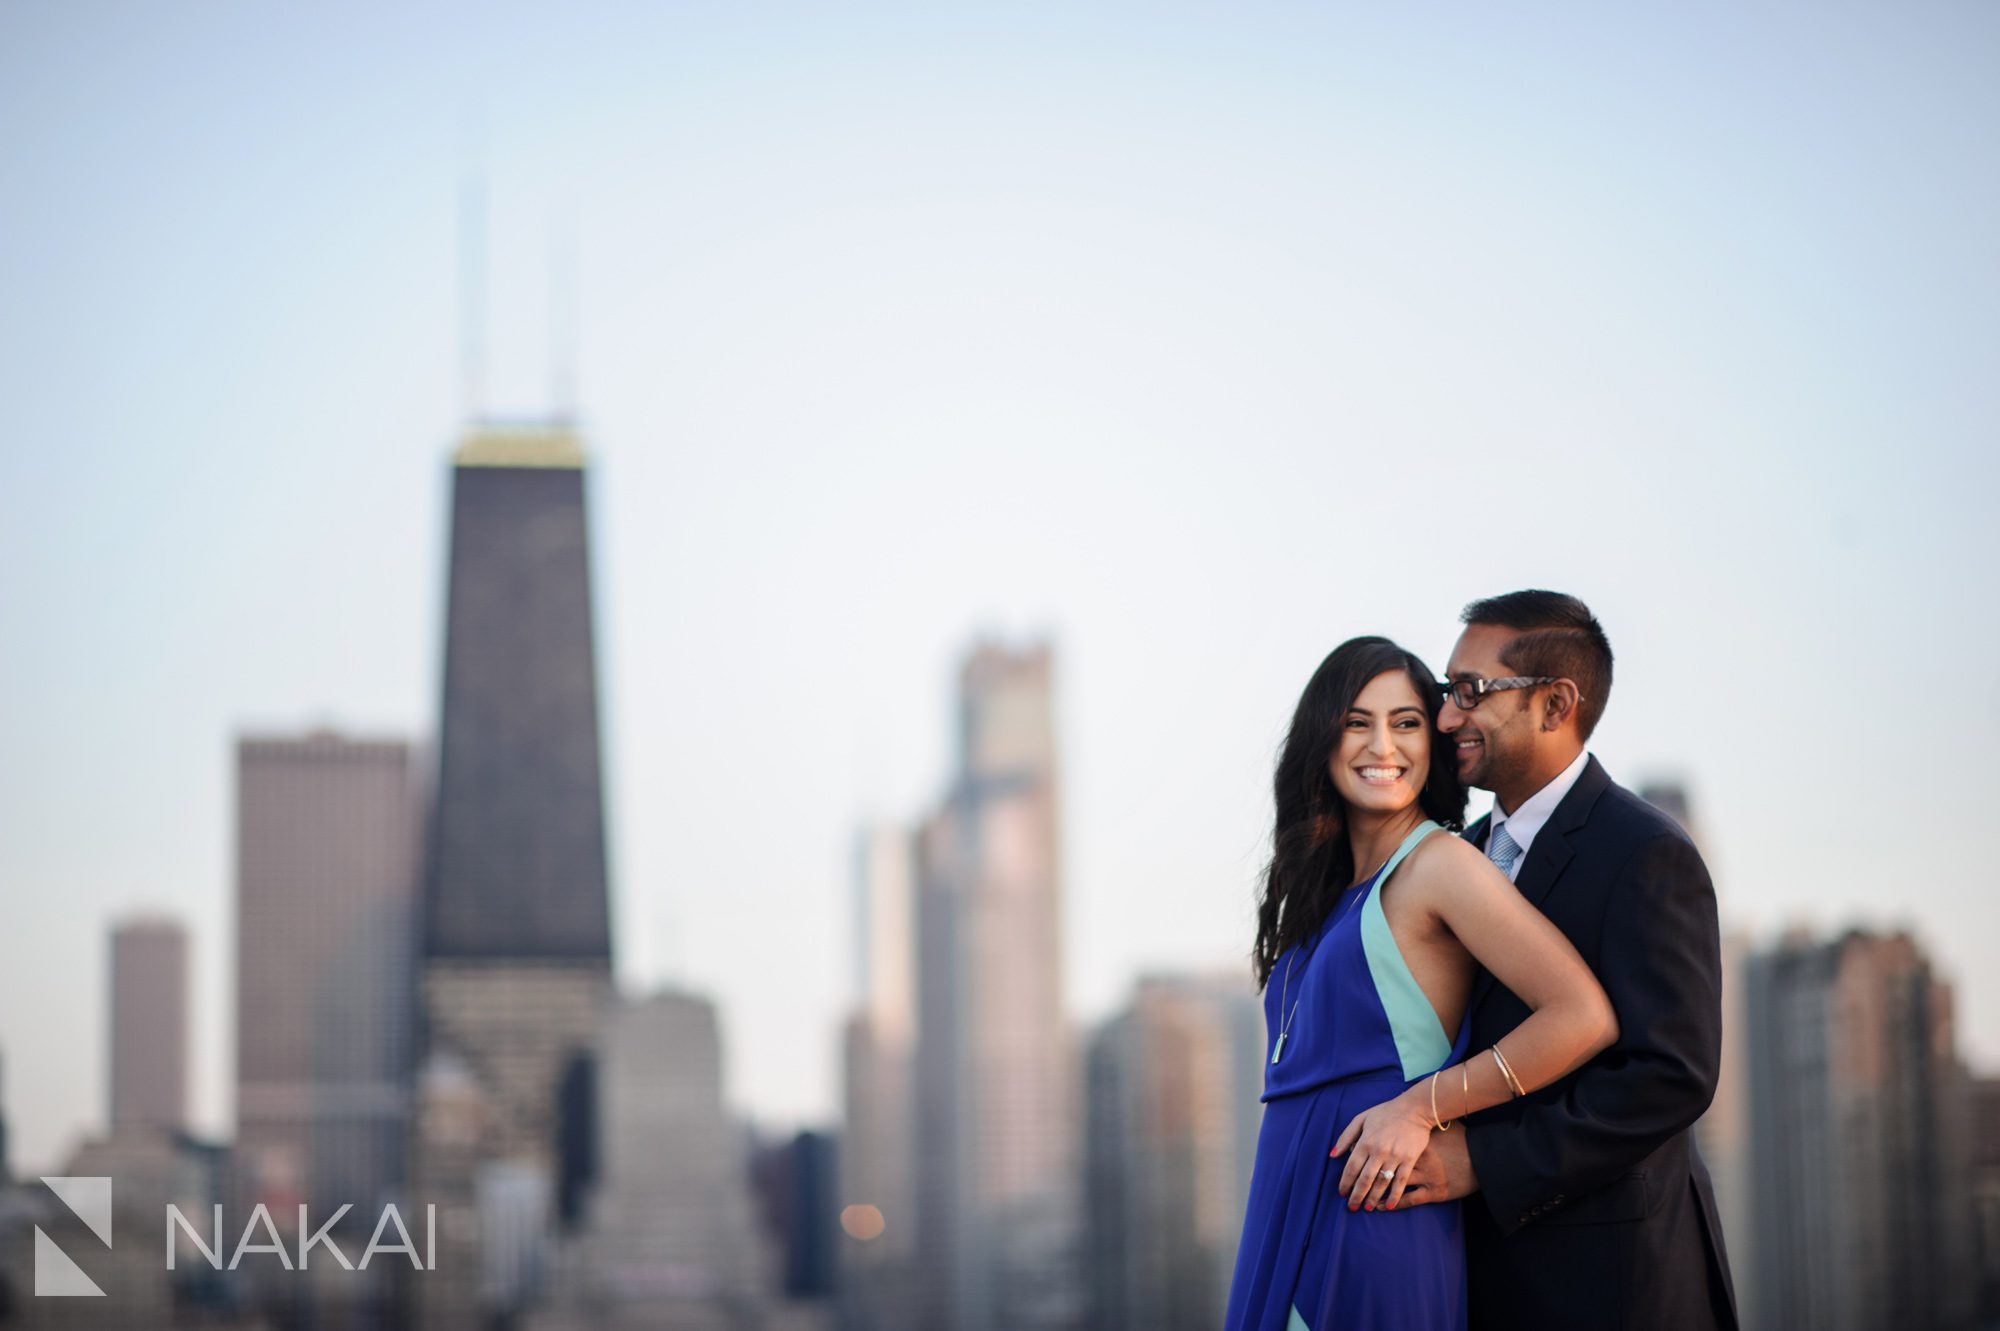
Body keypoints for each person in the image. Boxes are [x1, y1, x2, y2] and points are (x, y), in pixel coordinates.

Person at [1224, 636, 1619, 1331]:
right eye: (1357, 721)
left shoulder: (1439, 865)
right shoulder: (1324, 892)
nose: (1384, 744)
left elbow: (1581, 1013)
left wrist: (1420, 1107)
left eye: (1406, 722)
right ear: (1323, 738)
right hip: (1284, 1206)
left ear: (1432, 741)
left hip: (1372, 1217)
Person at [1394, 591, 1739, 1330]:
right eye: (1444, 692)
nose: (1447, 717)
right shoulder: (1457, 854)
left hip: (1610, 1286)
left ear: (1555, 704)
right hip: (1474, 1280)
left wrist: (1481, 1160)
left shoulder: (1647, 853)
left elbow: (1670, 1074)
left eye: (1469, 692)